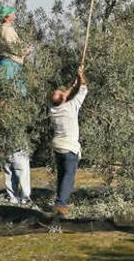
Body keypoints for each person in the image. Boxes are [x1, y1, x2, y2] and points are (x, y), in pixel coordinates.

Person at [50, 65, 87, 216]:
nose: (62, 92)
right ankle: (61, 205)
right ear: (64, 99)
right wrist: (81, 76)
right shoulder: (71, 107)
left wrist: (74, 83)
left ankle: (59, 200)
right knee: (68, 177)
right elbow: (84, 90)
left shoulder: (53, 109)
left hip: (58, 146)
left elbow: (64, 95)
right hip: (69, 147)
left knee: (61, 175)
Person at [0, 5, 31, 97]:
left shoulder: (3, 29)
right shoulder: (7, 30)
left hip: (8, 63)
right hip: (10, 64)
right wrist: (26, 51)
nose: (13, 13)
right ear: (6, 17)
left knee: (6, 92)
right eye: (11, 12)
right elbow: (13, 47)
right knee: (13, 92)